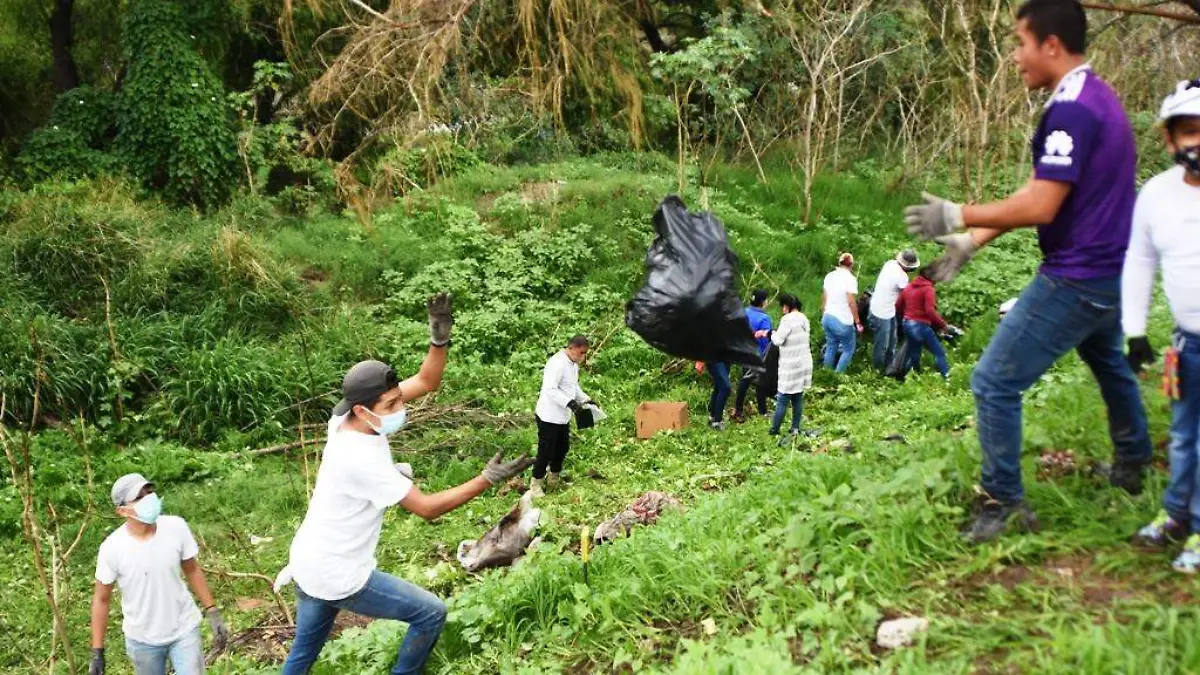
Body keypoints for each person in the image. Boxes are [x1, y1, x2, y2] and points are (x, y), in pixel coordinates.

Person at [903, 0, 1152, 544]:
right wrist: (973, 239)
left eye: (1020, 42)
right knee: (1108, 361)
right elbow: (1049, 195)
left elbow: (1040, 205)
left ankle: (1004, 502)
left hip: (1077, 275)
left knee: (993, 381)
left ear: (1052, 45)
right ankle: (1135, 464)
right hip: (1115, 270)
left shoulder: (1072, 112)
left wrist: (959, 212)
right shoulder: (1098, 97)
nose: (1015, 57)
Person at [279, 294, 533, 675]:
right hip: (339, 573)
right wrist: (486, 479)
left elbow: (428, 381)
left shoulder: (342, 417)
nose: (401, 409)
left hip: (309, 562)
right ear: (363, 410)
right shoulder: (359, 457)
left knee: (302, 655)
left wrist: (439, 339)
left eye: (400, 400)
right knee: (431, 613)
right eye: (392, 406)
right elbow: (428, 509)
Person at [1122, 79, 1200, 572]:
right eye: (1188, 131)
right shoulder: (1156, 194)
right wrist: (1134, 331)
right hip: (1186, 342)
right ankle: (1175, 513)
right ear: (1170, 140)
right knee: (1184, 433)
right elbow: (1139, 261)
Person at [89, 474, 230, 675]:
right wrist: (97, 651)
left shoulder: (176, 527)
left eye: (149, 491)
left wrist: (213, 611)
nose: (148, 498)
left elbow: (192, 569)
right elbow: (101, 600)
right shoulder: (112, 548)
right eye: (139, 497)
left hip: (184, 628)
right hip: (142, 640)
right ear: (122, 510)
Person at [532, 335, 595, 496]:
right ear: (572, 348)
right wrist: (570, 402)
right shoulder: (557, 364)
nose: (583, 356)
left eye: (585, 353)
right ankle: (536, 484)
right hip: (549, 416)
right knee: (545, 451)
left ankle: (553, 479)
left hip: (563, 416)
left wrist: (586, 399)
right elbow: (550, 390)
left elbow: (573, 386)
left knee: (562, 447)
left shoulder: (572, 364)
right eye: (581, 352)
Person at [894, 268, 956, 380]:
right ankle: (947, 378)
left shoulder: (908, 287)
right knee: (939, 353)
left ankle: (907, 378)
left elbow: (898, 305)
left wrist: (907, 315)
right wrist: (943, 325)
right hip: (920, 326)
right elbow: (930, 311)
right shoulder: (928, 289)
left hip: (907, 324)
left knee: (915, 355)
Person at [770, 294, 813, 442]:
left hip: (791, 365)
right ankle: (795, 427)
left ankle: (774, 430)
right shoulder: (804, 318)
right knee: (797, 396)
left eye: (782, 306)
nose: (782, 309)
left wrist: (772, 333)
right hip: (804, 362)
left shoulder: (787, 320)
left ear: (786, 306)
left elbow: (778, 340)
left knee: (783, 398)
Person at [868, 250, 920, 370]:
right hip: (881, 314)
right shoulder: (902, 277)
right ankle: (878, 370)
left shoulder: (890, 264)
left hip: (885, 309)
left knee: (893, 340)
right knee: (882, 345)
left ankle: (890, 365)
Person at [732, 289, 774, 422]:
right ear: (762, 302)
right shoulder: (764, 318)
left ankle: (740, 408)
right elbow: (767, 340)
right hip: (757, 355)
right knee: (757, 383)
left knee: (747, 380)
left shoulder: (744, 312)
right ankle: (758, 411)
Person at [821, 252, 862, 373]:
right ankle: (838, 375)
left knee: (831, 346)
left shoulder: (830, 276)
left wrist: (824, 312)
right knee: (848, 349)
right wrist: (858, 321)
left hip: (827, 317)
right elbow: (851, 302)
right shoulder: (850, 279)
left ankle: (826, 374)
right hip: (842, 320)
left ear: (839, 263)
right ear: (851, 265)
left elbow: (824, 297)